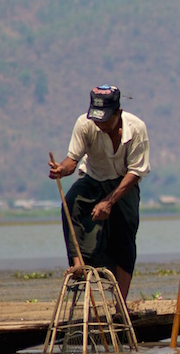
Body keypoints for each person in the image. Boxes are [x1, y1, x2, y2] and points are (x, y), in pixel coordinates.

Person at [48, 84, 150, 302]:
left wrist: (109, 202)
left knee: (125, 237)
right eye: (96, 118)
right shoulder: (85, 125)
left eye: (104, 119)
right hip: (93, 178)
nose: (99, 124)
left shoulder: (137, 129)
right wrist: (62, 170)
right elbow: (72, 160)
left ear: (118, 113)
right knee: (71, 204)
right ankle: (78, 265)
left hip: (124, 184)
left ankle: (119, 305)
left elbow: (135, 172)